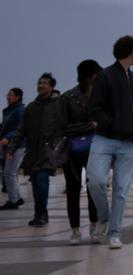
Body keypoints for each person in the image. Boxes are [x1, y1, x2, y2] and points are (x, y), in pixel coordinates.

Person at [86, 35, 133, 248]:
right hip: (105, 139)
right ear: (131, 52)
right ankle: (104, 216)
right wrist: (113, 125)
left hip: (131, 142)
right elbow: (94, 109)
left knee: (121, 191)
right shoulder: (105, 76)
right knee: (95, 181)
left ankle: (114, 233)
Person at [7, 73, 62, 227]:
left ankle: (41, 214)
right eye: (39, 83)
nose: (40, 85)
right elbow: (21, 129)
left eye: (44, 83)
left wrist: (57, 145)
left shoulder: (59, 105)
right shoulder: (31, 107)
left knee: (43, 180)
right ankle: (41, 213)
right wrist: (11, 148)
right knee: (36, 184)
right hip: (32, 152)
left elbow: (65, 126)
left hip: (48, 151)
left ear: (51, 87)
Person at [61, 60, 102, 243]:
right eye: (94, 75)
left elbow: (104, 122)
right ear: (86, 76)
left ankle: (94, 225)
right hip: (73, 150)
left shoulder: (101, 96)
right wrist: (89, 126)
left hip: (95, 148)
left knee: (94, 186)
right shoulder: (67, 97)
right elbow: (63, 127)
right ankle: (75, 230)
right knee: (73, 189)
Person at [0, 87, 26, 211]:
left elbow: (21, 128)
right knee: (10, 173)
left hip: (18, 145)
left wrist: (8, 137)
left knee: (9, 173)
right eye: (8, 94)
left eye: (10, 95)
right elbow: (4, 126)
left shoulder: (20, 110)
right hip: (9, 146)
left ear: (17, 97)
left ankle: (13, 201)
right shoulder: (7, 110)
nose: (7, 97)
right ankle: (18, 198)